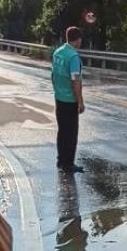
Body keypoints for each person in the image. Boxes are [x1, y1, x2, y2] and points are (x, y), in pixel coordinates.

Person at [52, 26, 85, 173]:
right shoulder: (73, 57)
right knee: (71, 134)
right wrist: (80, 101)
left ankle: (61, 161)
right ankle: (68, 164)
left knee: (62, 131)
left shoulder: (57, 53)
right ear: (77, 40)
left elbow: (53, 75)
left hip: (59, 98)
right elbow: (75, 80)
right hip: (69, 100)